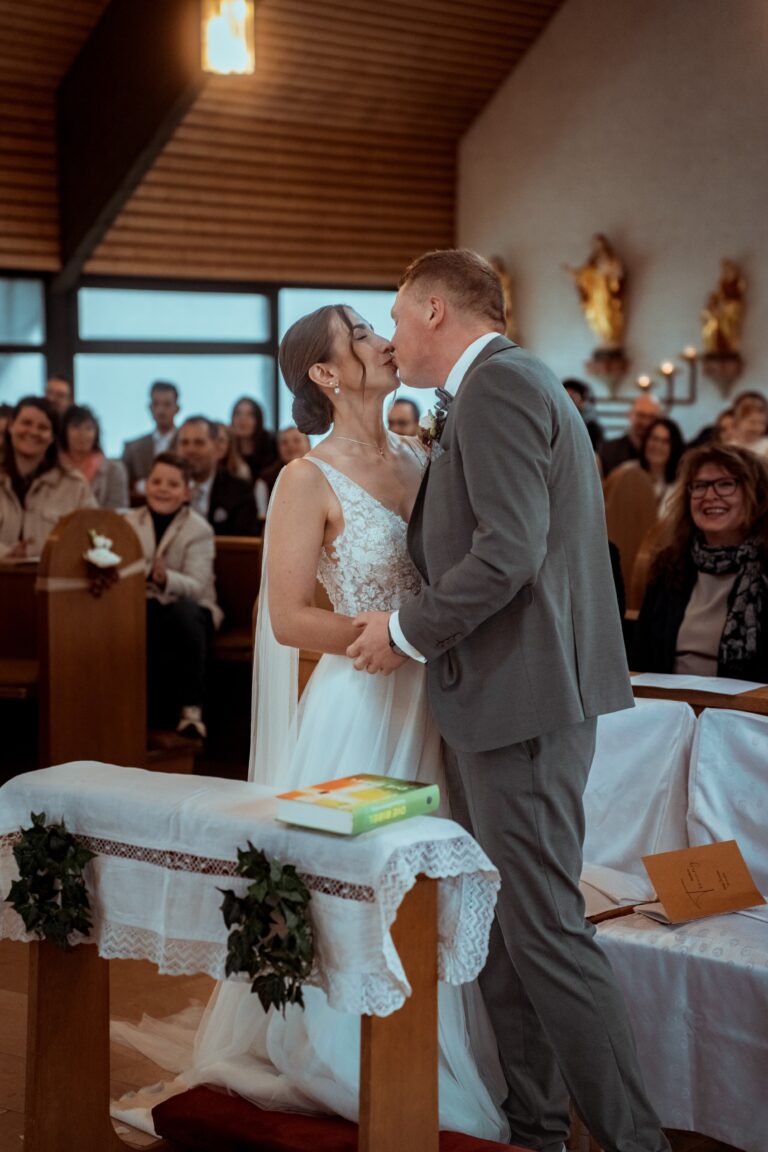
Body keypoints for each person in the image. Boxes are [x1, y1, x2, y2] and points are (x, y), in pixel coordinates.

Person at [112, 303, 508, 1143]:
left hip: (439, 703)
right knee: (350, 886)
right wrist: (389, 640)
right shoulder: (306, 477)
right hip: (361, 703)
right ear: (326, 375)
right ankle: (325, 1049)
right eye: (361, 334)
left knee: (424, 886)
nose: (381, 340)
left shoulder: (420, 456)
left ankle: (421, 1047)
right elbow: (288, 616)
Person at [348, 249, 668, 1152]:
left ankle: (634, 1142)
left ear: (437, 310)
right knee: (505, 935)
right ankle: (535, 1131)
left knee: (548, 936)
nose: (394, 335)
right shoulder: (495, 390)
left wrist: (407, 631)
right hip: (500, 699)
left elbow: (508, 552)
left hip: (521, 701)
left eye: (398, 315)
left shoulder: (501, 386)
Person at [633, 443, 768, 680]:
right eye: (700, 486)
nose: (709, 495)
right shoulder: (669, 565)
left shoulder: (765, 567)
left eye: (726, 484)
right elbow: (642, 655)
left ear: (755, 494)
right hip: (672, 707)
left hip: (749, 712)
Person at [124, 452, 222, 739]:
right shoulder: (129, 521)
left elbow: (198, 585)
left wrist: (165, 578)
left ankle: (191, 711)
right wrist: (144, 572)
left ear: (187, 492)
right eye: (156, 482)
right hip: (142, 603)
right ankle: (126, 711)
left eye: (172, 484)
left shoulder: (199, 529)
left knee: (183, 614)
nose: (163, 489)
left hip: (192, 608)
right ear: (145, 486)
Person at [0, 396, 95, 559]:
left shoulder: (74, 485)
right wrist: (5, 554)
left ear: (52, 437)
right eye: (26, 423)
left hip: (52, 581)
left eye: (43, 427)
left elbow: (93, 538)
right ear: (11, 426)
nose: (33, 432)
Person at [177, 416, 259, 536]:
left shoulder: (240, 491)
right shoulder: (168, 487)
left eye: (199, 443)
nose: (190, 450)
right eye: (184, 443)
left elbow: (244, 546)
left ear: (217, 448)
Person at [60, 404, 128, 509]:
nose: (82, 433)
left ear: (96, 433)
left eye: (88, 428)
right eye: (76, 427)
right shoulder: (53, 467)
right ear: (64, 431)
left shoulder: (113, 469)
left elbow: (118, 511)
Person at [122, 380, 180, 495]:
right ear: (150, 408)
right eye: (156, 404)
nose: (161, 410)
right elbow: (124, 486)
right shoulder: (133, 448)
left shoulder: (189, 445)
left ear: (177, 408)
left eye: (167, 404)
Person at [599, 393, 661, 477]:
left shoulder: (666, 452)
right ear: (630, 415)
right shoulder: (608, 450)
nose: (646, 422)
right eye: (641, 415)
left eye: (652, 417)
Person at [254, 425, 311, 516]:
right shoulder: (265, 480)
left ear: (308, 444)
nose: (291, 446)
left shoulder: (324, 475)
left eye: (296, 440)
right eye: (284, 442)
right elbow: (263, 519)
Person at [230, 396, 277, 482]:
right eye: (238, 414)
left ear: (258, 420)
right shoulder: (227, 448)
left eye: (250, 414)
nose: (243, 419)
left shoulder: (273, 446)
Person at [563, 377, 603, 453]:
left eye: (572, 397)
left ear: (583, 400)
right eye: (564, 397)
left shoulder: (592, 426)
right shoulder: (560, 420)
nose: (568, 401)